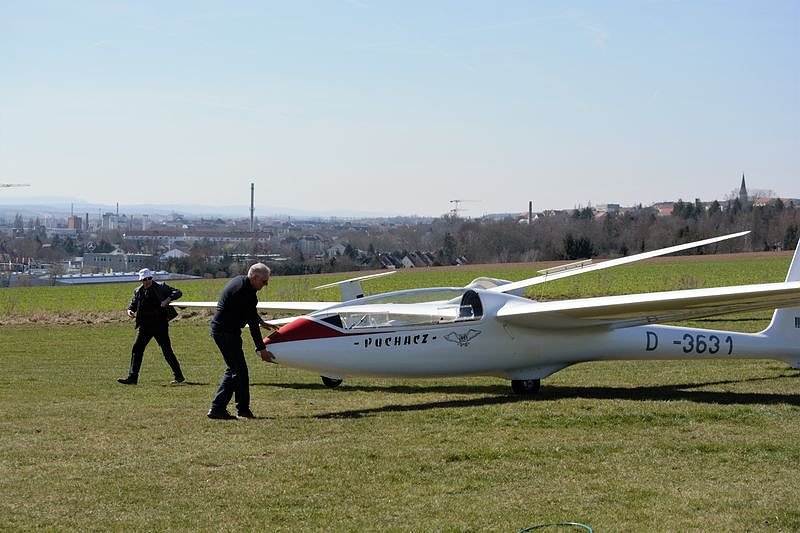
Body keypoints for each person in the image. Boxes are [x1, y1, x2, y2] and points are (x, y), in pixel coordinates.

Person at [207, 263, 277, 420]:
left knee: (234, 369)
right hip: (225, 332)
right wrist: (262, 349)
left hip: (224, 330)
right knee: (240, 372)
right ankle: (238, 410)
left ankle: (220, 408)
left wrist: (262, 322)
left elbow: (248, 311)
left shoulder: (240, 281)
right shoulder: (245, 292)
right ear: (254, 277)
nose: (266, 285)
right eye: (264, 281)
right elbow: (252, 326)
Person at [118, 268, 186, 385]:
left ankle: (179, 376)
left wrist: (168, 299)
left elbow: (178, 292)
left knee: (167, 351)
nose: (147, 281)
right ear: (141, 280)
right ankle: (132, 378)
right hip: (145, 326)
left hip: (160, 325)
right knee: (137, 349)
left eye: (149, 278)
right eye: (145, 279)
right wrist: (129, 310)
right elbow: (133, 304)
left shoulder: (161, 287)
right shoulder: (138, 291)